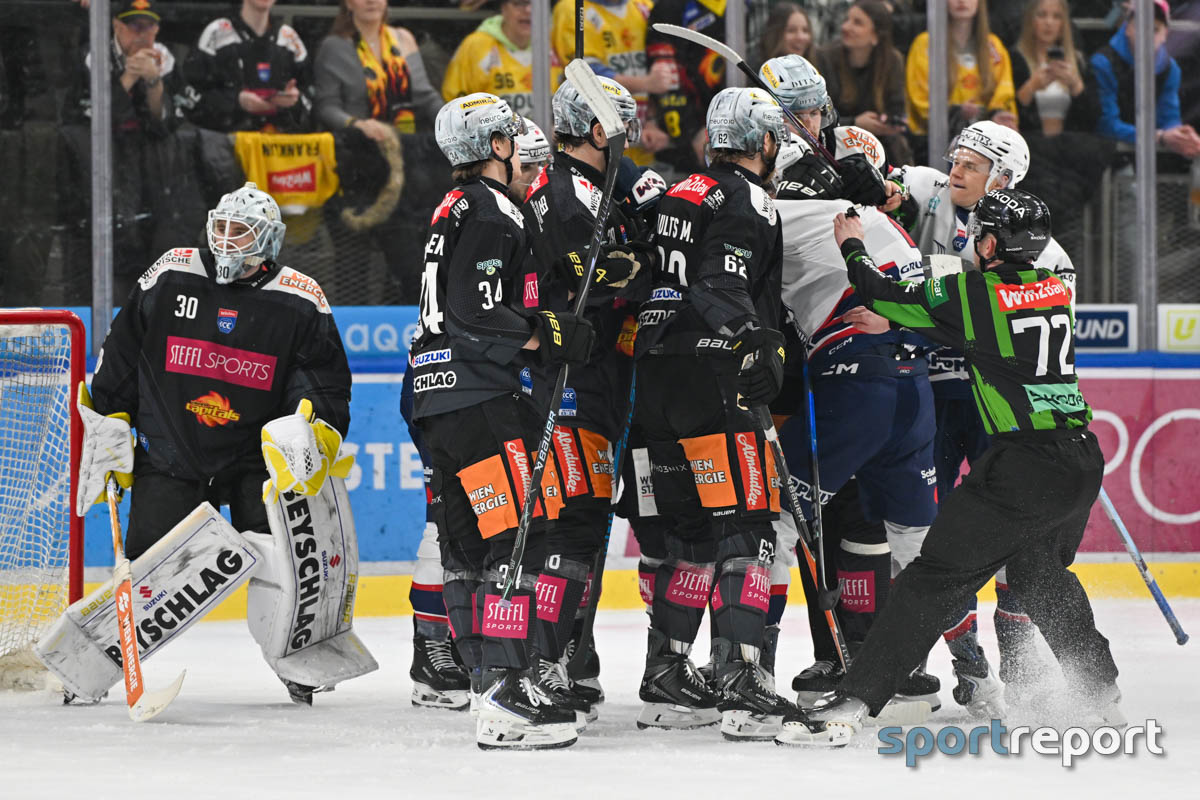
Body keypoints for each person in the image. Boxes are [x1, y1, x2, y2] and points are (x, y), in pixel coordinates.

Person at [778, 189, 1121, 745]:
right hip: (1081, 459)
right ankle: (1102, 693)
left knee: (930, 579)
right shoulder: (1054, 288)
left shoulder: (973, 291)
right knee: (1040, 577)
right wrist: (902, 325)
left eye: (980, 235)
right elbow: (978, 335)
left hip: (1023, 466)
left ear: (989, 244)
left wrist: (854, 246)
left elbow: (879, 290)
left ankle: (853, 701)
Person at [58, 182, 375, 706]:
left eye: (241, 231)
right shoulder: (172, 273)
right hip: (172, 451)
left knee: (283, 564)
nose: (227, 240)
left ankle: (296, 662)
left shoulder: (300, 298)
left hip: (255, 461)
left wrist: (310, 424)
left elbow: (321, 380)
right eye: (221, 227)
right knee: (149, 572)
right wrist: (111, 417)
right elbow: (124, 350)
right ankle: (85, 669)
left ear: (268, 241)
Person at [413, 92, 594, 750]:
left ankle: (487, 682)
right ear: (495, 147)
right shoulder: (493, 210)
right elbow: (477, 309)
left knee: (470, 547)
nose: (522, 153)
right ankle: (507, 690)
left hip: (433, 398)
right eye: (513, 141)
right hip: (480, 396)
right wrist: (547, 334)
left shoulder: (452, 206)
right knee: (522, 536)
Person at [884, 119, 1076, 713]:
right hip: (930, 394)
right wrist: (878, 187)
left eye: (972, 165)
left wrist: (933, 291)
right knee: (928, 532)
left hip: (997, 409)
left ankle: (1016, 659)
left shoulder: (1050, 256)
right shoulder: (929, 188)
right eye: (957, 160)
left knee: (1021, 532)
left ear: (1004, 179)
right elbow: (879, 180)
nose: (956, 171)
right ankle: (961, 664)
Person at [631, 86, 796, 740]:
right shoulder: (749, 197)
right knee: (748, 526)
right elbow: (720, 282)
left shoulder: (680, 189)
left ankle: (667, 676)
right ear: (764, 142)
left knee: (691, 536)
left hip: (655, 377)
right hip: (713, 375)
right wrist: (755, 338)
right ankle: (742, 682)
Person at [520, 77, 655, 717]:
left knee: (587, 525)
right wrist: (643, 262)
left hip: (596, 381)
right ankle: (540, 663)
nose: (628, 141)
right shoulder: (566, 194)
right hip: (570, 384)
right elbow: (594, 279)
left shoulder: (593, 190)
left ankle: (568, 659)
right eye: (620, 128)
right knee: (569, 524)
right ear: (598, 131)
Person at [312, 0, 446, 303]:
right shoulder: (334, 46)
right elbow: (326, 106)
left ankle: (405, 316)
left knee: (408, 257)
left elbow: (425, 96)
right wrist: (357, 124)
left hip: (407, 160)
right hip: (359, 162)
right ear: (348, 3)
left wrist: (454, 119)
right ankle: (354, 321)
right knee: (354, 257)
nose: (371, 1)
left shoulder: (404, 38)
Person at [61, 0, 186, 300]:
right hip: (100, 167)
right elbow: (90, 119)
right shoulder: (93, 55)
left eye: (149, 27)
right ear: (116, 26)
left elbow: (166, 124)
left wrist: (153, 81)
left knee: (152, 248)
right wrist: (128, 78)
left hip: (151, 172)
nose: (142, 35)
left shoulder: (166, 58)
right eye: (134, 27)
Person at [1008, 0, 1105, 261]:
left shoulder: (1079, 63)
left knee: (1067, 239)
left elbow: (1093, 118)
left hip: (1067, 164)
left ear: (1065, 24)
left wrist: (1076, 86)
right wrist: (1031, 87)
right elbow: (1008, 113)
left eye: (1056, 16)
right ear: (1031, 21)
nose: (1049, 23)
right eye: (1042, 15)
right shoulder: (1015, 60)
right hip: (1033, 163)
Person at [550, 0, 673, 165]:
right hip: (595, 150)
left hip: (642, 146)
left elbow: (655, 69)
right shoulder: (571, 8)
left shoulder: (643, 5)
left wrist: (652, 120)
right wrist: (646, 83)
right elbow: (586, 73)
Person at [1090, 0, 1200, 161]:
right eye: (1140, 27)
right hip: (1102, 155)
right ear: (1127, 28)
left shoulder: (1171, 69)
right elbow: (1105, 125)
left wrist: (1179, 134)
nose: (1146, 36)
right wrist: (1160, 136)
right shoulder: (1102, 63)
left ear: (1165, 34)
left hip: (1145, 152)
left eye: (1155, 29)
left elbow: (1169, 117)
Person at [182, 0, 311, 133]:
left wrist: (295, 101)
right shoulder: (217, 33)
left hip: (279, 142)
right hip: (225, 141)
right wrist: (236, 101)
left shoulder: (289, 39)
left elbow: (311, 98)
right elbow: (189, 96)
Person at [905, 0, 1017, 149]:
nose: (961, 1)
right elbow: (919, 98)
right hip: (933, 143)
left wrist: (996, 115)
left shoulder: (994, 47)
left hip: (985, 144)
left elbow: (1004, 92)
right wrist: (956, 113)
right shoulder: (925, 44)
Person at [813, 0, 911, 165]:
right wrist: (855, 123)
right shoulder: (824, 58)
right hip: (836, 141)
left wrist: (889, 121)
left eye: (857, 23)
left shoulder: (893, 60)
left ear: (876, 35)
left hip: (879, 143)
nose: (846, 27)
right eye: (847, 20)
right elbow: (818, 117)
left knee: (897, 147)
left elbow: (897, 108)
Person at [645, 0, 729, 178]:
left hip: (734, 138)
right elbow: (667, 82)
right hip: (683, 151)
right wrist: (695, 132)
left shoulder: (743, 7)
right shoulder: (671, 8)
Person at [442, 0, 556, 120]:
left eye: (534, 3)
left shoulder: (554, 43)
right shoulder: (476, 46)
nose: (528, 10)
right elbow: (455, 107)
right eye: (519, 3)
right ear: (503, 8)